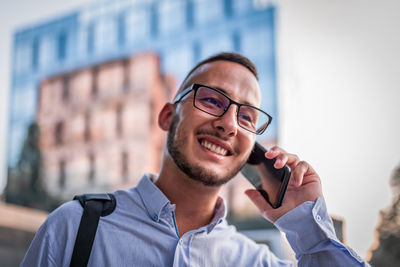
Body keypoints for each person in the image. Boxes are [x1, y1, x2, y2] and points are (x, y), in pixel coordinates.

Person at [21, 52, 369, 266]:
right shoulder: (75, 227)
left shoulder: (256, 262)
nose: (229, 124)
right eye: (213, 100)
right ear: (167, 116)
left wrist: (310, 229)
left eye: (246, 116)